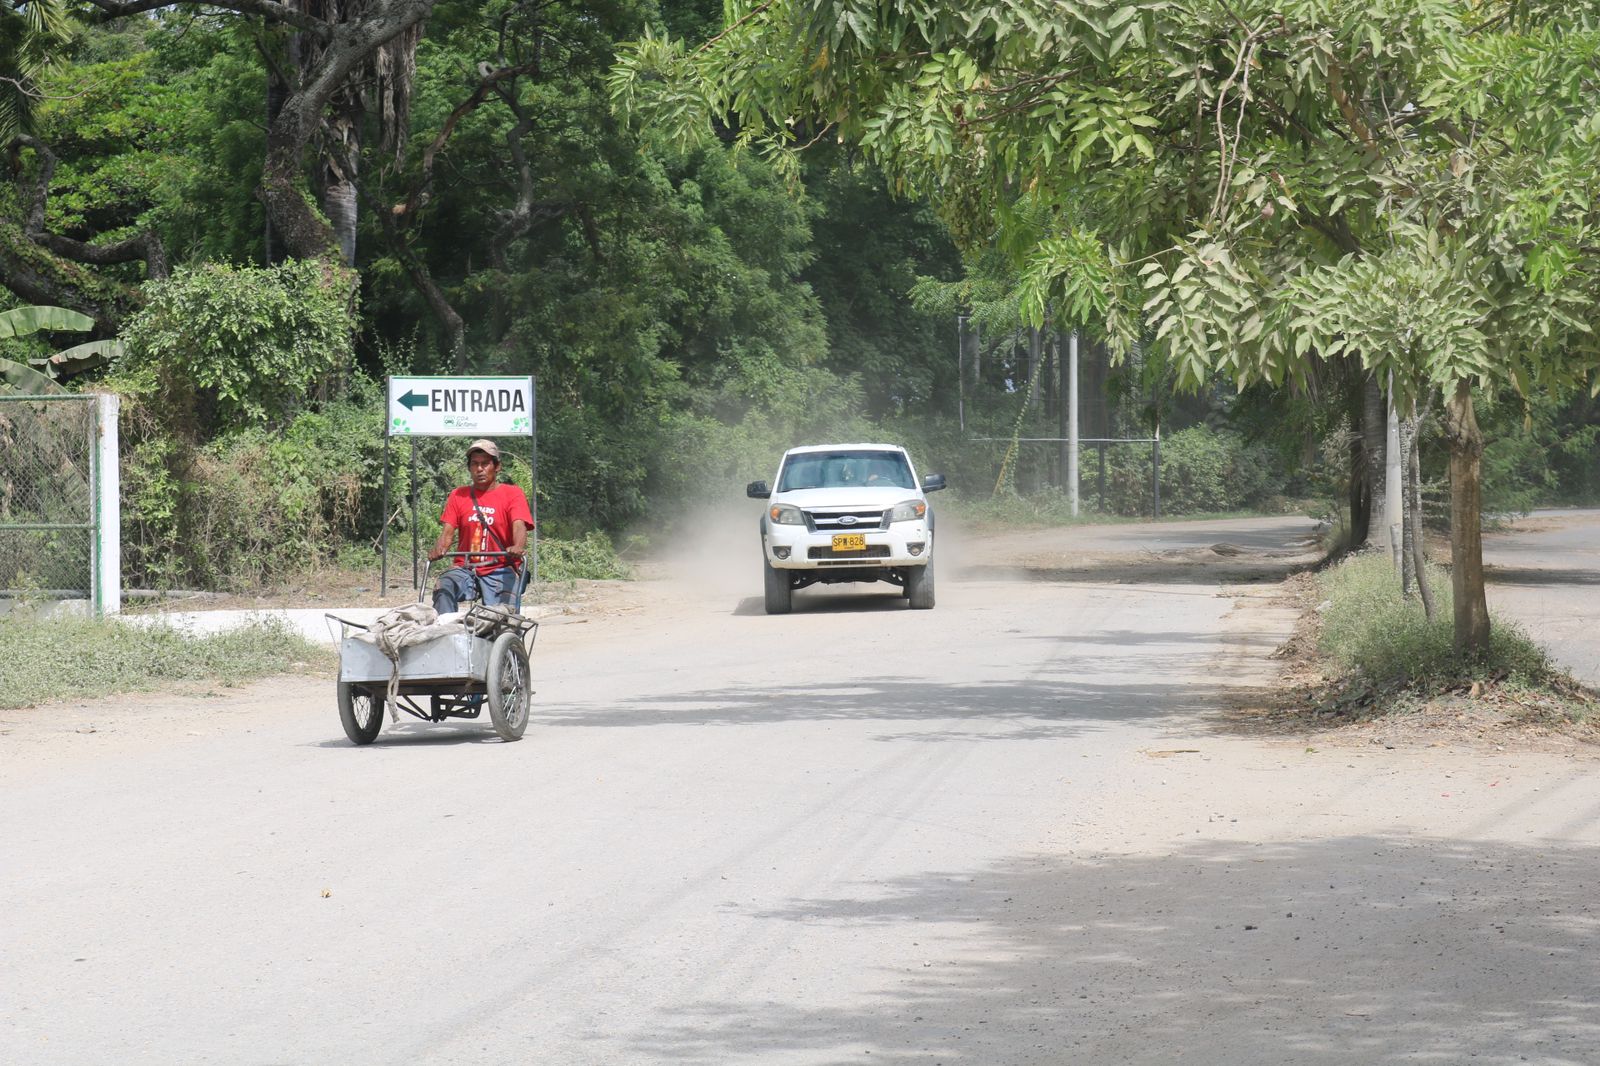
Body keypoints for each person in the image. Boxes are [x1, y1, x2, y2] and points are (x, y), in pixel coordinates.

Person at [426, 439, 534, 615]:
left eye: (485, 464)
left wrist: (517, 546)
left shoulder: (512, 493)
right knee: (444, 586)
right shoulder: (458, 495)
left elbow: (519, 525)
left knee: (498, 617)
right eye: (475, 464)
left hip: (500, 567)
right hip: (466, 568)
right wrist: (440, 548)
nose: (479, 469)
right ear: (469, 468)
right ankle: (445, 628)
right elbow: (447, 532)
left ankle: (500, 629)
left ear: (497, 466)